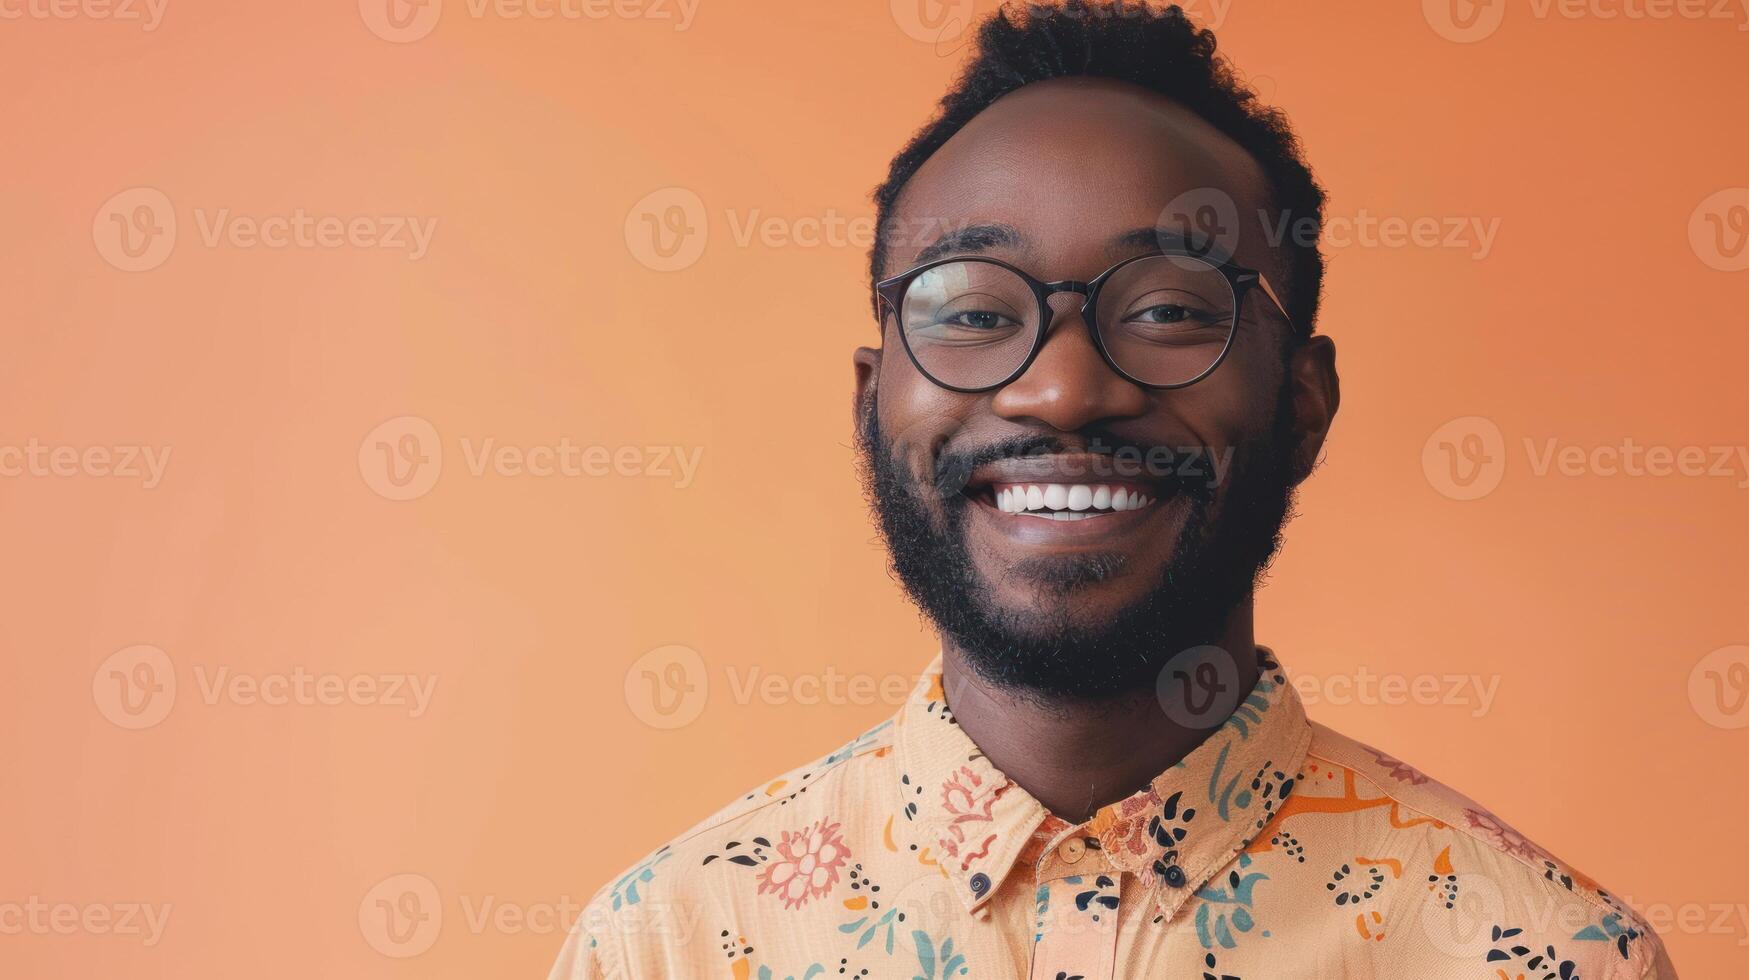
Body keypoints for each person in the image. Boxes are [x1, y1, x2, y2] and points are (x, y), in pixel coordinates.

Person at [549, 2, 1676, 976]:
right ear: (867, 403)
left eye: (1170, 309)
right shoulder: (664, 942)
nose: (1062, 389)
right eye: (976, 312)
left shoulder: (1543, 952)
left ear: (1303, 403)